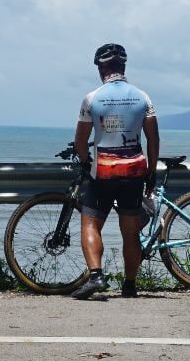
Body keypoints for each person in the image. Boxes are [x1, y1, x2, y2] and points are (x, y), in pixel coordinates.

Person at [69, 44, 160, 300]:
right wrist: (151, 171)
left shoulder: (92, 98)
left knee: (90, 223)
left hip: (104, 172)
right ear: (123, 67)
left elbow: (80, 141)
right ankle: (130, 285)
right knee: (130, 231)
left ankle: (97, 276)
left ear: (101, 69)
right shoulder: (143, 97)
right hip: (134, 171)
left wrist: (86, 161)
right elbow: (153, 139)